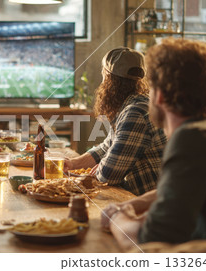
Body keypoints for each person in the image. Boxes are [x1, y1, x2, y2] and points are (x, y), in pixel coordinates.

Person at [102, 38, 206, 250]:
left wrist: (116, 219)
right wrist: (132, 204)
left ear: (159, 96)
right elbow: (179, 190)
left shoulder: (190, 140)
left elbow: (146, 242)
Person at [66, 47, 166, 195]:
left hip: (148, 205)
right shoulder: (135, 104)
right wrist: (72, 163)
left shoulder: (135, 113)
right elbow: (108, 146)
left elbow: (108, 175)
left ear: (108, 78)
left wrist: (100, 169)